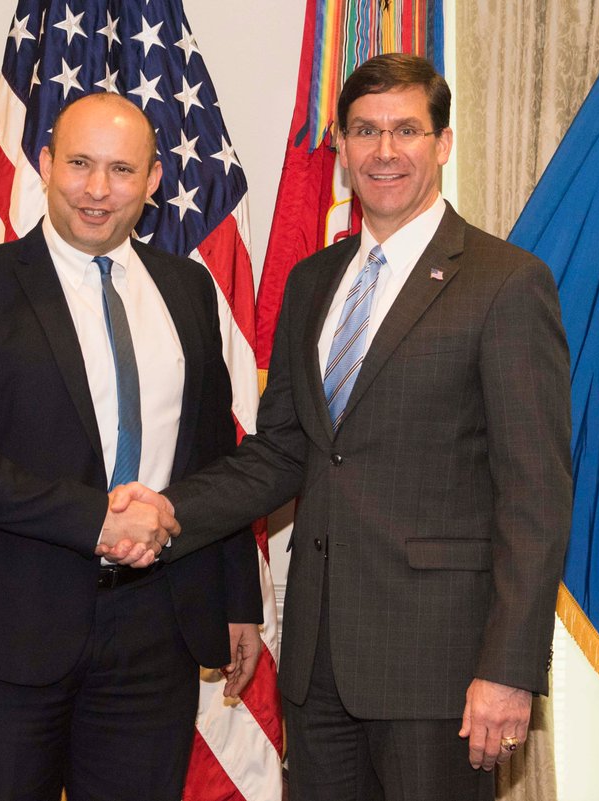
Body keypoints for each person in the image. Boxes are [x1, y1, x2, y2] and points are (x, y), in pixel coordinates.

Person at [109, 54, 572, 801]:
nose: (384, 151)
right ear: (341, 146)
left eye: (406, 130)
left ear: (443, 143)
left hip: (441, 671)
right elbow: (283, 451)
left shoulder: (506, 282)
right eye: (364, 131)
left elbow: (536, 497)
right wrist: (168, 510)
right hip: (318, 665)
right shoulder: (313, 280)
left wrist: (509, 670)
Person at [0, 91, 263, 801]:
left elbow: (211, 455)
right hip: (10, 629)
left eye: (121, 170)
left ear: (153, 179)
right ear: (45, 164)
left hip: (157, 629)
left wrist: (237, 599)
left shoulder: (189, 289)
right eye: (79, 164)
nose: (97, 189)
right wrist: (96, 519)